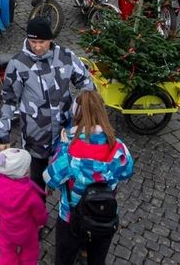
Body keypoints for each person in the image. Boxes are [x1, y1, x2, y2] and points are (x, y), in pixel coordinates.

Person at [0, 17, 94, 190]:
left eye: (42, 41)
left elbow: (87, 83)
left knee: (68, 176)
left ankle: (68, 209)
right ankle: (38, 209)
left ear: (51, 39)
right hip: (35, 136)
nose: (37, 46)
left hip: (65, 135)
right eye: (33, 41)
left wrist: (82, 111)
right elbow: (8, 99)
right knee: (36, 179)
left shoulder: (66, 56)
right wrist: (3, 134)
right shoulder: (18, 63)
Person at [45, 90, 134, 265]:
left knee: (64, 260)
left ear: (76, 113)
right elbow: (127, 172)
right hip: (105, 215)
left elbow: (51, 178)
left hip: (71, 217)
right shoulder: (118, 147)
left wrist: (62, 147)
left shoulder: (69, 149)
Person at [0, 148, 47, 265]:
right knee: (30, 252)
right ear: (24, 172)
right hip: (27, 232)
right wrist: (41, 222)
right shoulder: (31, 193)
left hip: (6, 230)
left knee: (7, 252)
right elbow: (40, 212)